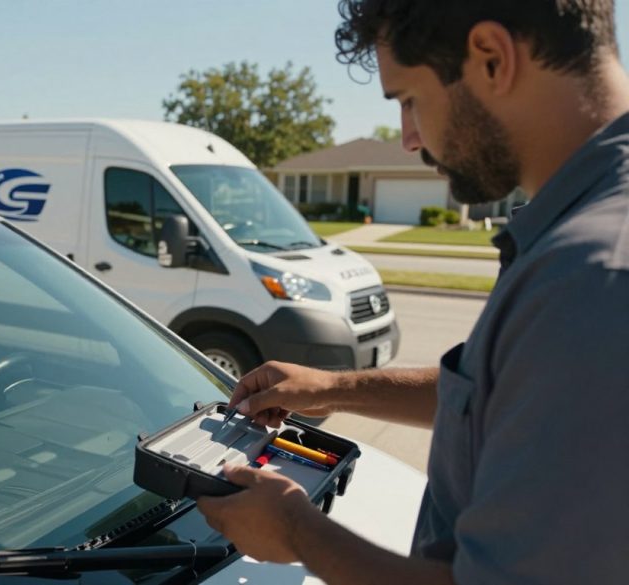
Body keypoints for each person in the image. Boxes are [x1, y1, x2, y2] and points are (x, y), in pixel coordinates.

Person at [195, 1, 629, 583]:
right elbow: (514, 399)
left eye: (408, 100)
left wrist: (297, 530)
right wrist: (334, 388)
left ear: (492, 59)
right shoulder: (583, 236)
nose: (407, 138)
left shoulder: (592, 277)